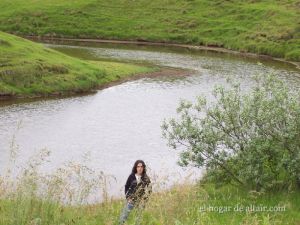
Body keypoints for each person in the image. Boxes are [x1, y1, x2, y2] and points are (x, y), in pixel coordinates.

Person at [119, 159, 152, 225]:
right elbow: (126, 187)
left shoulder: (146, 178)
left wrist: (144, 200)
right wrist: (128, 197)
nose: (140, 168)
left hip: (140, 201)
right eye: (138, 166)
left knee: (138, 219)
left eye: (141, 167)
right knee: (123, 217)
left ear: (143, 168)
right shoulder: (131, 176)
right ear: (135, 167)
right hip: (131, 200)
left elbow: (149, 190)